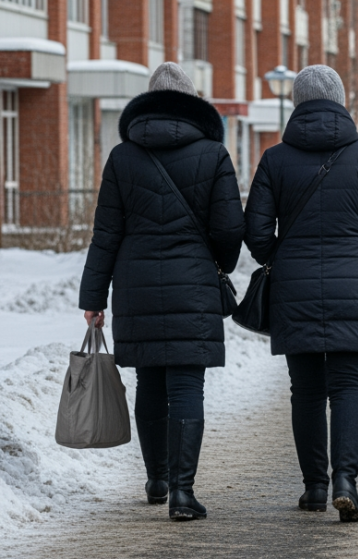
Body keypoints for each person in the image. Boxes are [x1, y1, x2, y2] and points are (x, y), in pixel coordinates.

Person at [78, 63, 244, 521]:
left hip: (137, 289)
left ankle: (157, 478)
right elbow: (230, 229)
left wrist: (93, 297)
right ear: (192, 103)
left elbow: (106, 233)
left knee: (150, 381)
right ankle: (183, 494)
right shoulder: (213, 154)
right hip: (193, 287)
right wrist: (217, 265)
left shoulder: (122, 157)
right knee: (187, 384)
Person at [244, 65, 358, 522]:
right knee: (349, 387)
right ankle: (346, 481)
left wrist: (283, 258)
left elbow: (255, 231)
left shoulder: (275, 159)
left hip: (293, 289)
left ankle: (315, 486)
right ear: (339, 101)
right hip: (355, 284)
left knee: (307, 392)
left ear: (298, 103)